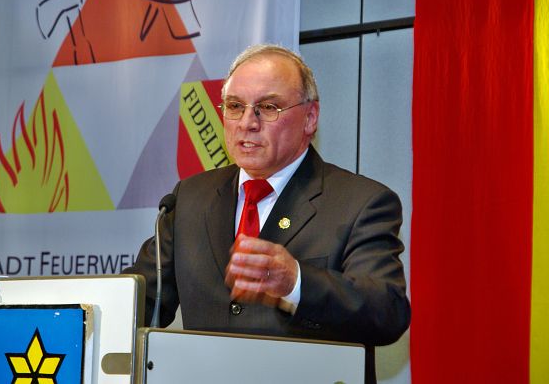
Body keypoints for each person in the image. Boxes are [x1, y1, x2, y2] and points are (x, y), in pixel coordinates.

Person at [124, 44, 410, 383]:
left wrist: (297, 282)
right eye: (235, 106)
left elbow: (386, 312)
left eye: (268, 107)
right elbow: (138, 301)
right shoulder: (189, 198)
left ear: (310, 118)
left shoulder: (362, 202)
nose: (247, 123)